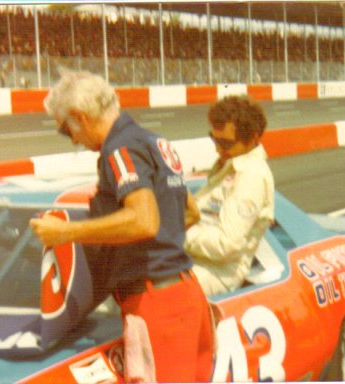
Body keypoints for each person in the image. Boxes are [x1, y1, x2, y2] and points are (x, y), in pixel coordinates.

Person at [29, 70, 213, 383]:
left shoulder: (119, 149)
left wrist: (65, 233)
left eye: (65, 130)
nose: (72, 139)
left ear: (80, 117)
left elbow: (144, 220)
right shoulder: (152, 141)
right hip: (187, 294)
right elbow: (189, 213)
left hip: (155, 304)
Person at [185, 95, 274, 296]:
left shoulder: (252, 176)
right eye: (214, 139)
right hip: (193, 260)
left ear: (252, 138)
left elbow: (226, 244)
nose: (217, 148)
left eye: (225, 143)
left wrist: (175, 234)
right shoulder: (230, 166)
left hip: (217, 274)